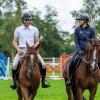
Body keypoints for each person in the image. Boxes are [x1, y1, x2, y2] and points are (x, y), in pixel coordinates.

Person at [10, 12, 50, 89]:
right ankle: (14, 82)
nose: (27, 21)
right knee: (15, 65)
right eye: (26, 20)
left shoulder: (34, 29)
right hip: (22, 50)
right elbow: (14, 41)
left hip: (32, 51)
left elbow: (37, 41)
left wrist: (33, 48)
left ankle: (43, 82)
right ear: (23, 20)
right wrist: (18, 49)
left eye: (29, 20)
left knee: (43, 64)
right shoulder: (18, 29)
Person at [66, 14, 96, 86]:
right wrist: (79, 51)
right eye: (78, 20)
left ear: (85, 21)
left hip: (90, 51)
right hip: (79, 50)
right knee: (72, 62)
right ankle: (69, 79)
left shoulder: (91, 30)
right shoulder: (77, 30)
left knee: (97, 60)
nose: (79, 21)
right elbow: (76, 42)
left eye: (80, 20)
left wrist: (91, 49)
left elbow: (93, 41)